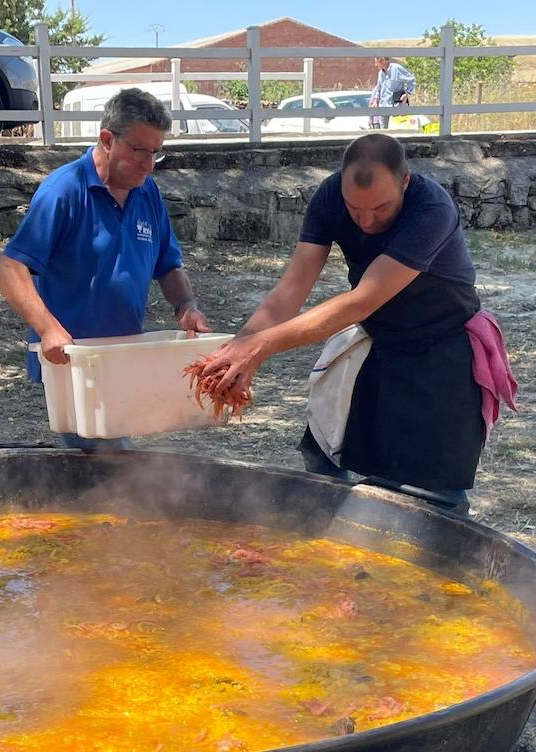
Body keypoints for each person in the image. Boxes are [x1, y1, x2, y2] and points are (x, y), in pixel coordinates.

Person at [197, 134, 510, 513]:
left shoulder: (432, 209)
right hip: (379, 343)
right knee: (323, 451)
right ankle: (338, 547)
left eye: (380, 208)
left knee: (432, 491)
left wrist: (260, 348)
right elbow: (291, 289)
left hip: (441, 353)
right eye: (354, 208)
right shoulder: (329, 196)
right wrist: (238, 349)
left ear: (405, 182)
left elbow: (362, 300)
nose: (365, 221)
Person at [0, 87, 211, 449]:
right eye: (140, 150)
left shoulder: (148, 192)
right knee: (109, 463)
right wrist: (48, 329)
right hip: (73, 361)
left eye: (156, 152)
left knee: (108, 459)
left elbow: (168, 265)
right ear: (107, 139)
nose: (148, 163)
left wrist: (185, 306)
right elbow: (10, 268)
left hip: (121, 359)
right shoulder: (65, 191)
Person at [373, 56, 416, 129]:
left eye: (376, 62)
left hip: (396, 105)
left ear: (382, 60)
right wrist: (376, 99)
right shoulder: (380, 73)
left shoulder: (396, 68)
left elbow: (411, 80)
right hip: (383, 106)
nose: (375, 65)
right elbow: (379, 87)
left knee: (397, 129)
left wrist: (406, 94)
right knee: (384, 131)